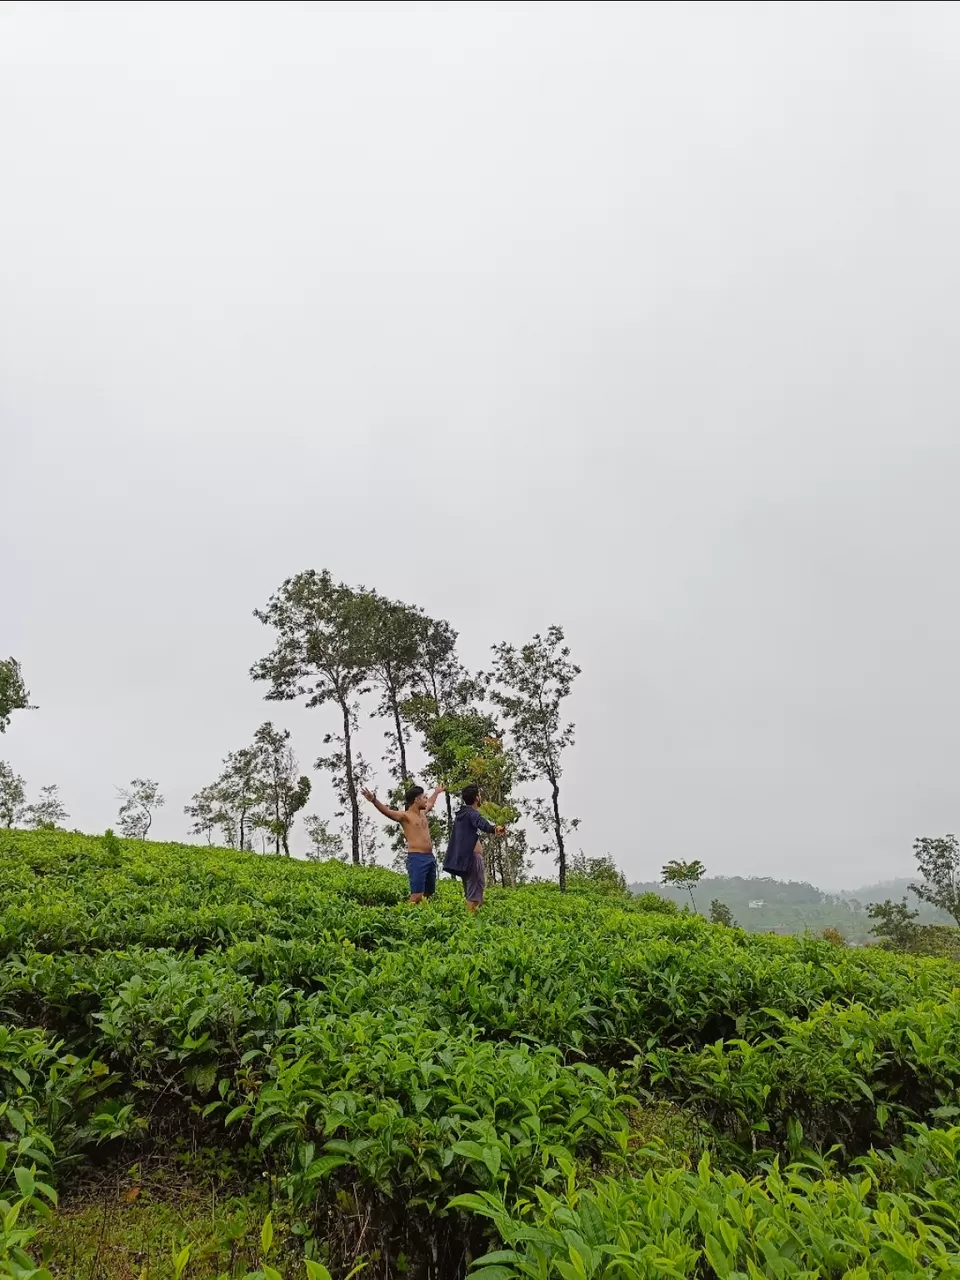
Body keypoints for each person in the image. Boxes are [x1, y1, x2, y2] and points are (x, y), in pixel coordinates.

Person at [360, 782, 444, 903]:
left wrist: (436, 792)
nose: (426, 800)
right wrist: (374, 800)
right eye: (424, 797)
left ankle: (420, 918)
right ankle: (403, 915)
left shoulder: (423, 813)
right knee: (417, 895)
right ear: (416, 800)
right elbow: (388, 812)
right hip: (417, 858)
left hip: (429, 858)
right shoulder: (405, 816)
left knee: (428, 893)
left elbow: (430, 802)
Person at [443, 784, 505, 914]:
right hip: (472, 859)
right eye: (479, 794)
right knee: (475, 894)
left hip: (465, 860)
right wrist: (494, 829)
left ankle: (474, 921)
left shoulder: (462, 814)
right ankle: (471, 924)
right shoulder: (472, 814)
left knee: (473, 892)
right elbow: (481, 823)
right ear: (477, 798)